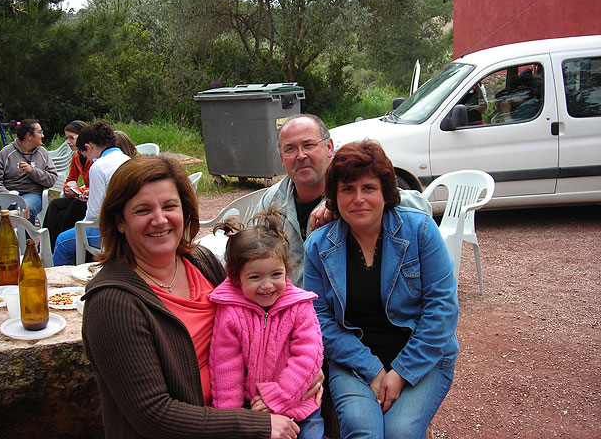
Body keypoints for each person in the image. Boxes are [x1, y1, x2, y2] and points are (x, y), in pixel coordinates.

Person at [81, 154, 320, 439]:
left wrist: (305, 376)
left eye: (170, 206)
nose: (160, 220)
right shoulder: (113, 304)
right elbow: (153, 414)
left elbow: (271, 319)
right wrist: (254, 426)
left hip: (250, 408)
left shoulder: (200, 262)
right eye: (143, 210)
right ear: (120, 221)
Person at [303, 140, 459, 439]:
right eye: (348, 189)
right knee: (364, 431)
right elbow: (318, 319)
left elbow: (442, 308)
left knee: (400, 432)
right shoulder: (319, 247)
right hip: (352, 360)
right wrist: (373, 370)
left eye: (368, 188)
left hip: (423, 357)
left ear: (385, 192)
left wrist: (401, 373)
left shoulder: (420, 231)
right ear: (334, 196)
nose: (358, 199)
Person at [256, 114, 432, 287]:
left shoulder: (353, 187)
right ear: (281, 159)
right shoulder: (273, 199)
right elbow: (253, 252)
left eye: (308, 145)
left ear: (329, 147)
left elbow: (422, 208)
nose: (301, 155)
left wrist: (337, 202)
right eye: (290, 149)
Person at [209, 207, 324, 439]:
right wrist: (232, 421)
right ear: (235, 278)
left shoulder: (299, 306)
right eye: (255, 277)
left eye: (276, 274)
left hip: (298, 404)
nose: (267, 285)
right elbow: (225, 369)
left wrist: (278, 397)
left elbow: (308, 356)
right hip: (252, 409)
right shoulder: (230, 312)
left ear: (286, 271)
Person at [52, 121, 129, 266]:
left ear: (88, 147)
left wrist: (81, 229)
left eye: (85, 155)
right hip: (127, 225)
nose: (88, 160)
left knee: (62, 241)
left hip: (108, 231)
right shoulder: (127, 160)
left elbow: (93, 213)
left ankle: (62, 283)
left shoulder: (98, 166)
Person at [0, 119, 58, 224]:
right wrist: (6, 193)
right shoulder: (7, 152)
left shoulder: (42, 153)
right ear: (29, 136)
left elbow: (52, 179)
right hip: (8, 194)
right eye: (39, 132)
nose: (43, 135)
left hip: (32, 194)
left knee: (24, 209)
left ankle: (27, 240)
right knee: (3, 211)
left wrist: (32, 171)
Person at [43, 121, 92, 249]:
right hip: (82, 195)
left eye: (72, 138)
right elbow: (70, 178)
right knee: (55, 204)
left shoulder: (92, 156)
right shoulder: (76, 156)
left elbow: (99, 187)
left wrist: (78, 190)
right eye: (67, 138)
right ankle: (46, 245)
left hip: (91, 198)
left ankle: (62, 245)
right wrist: (68, 189)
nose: (69, 142)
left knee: (71, 209)